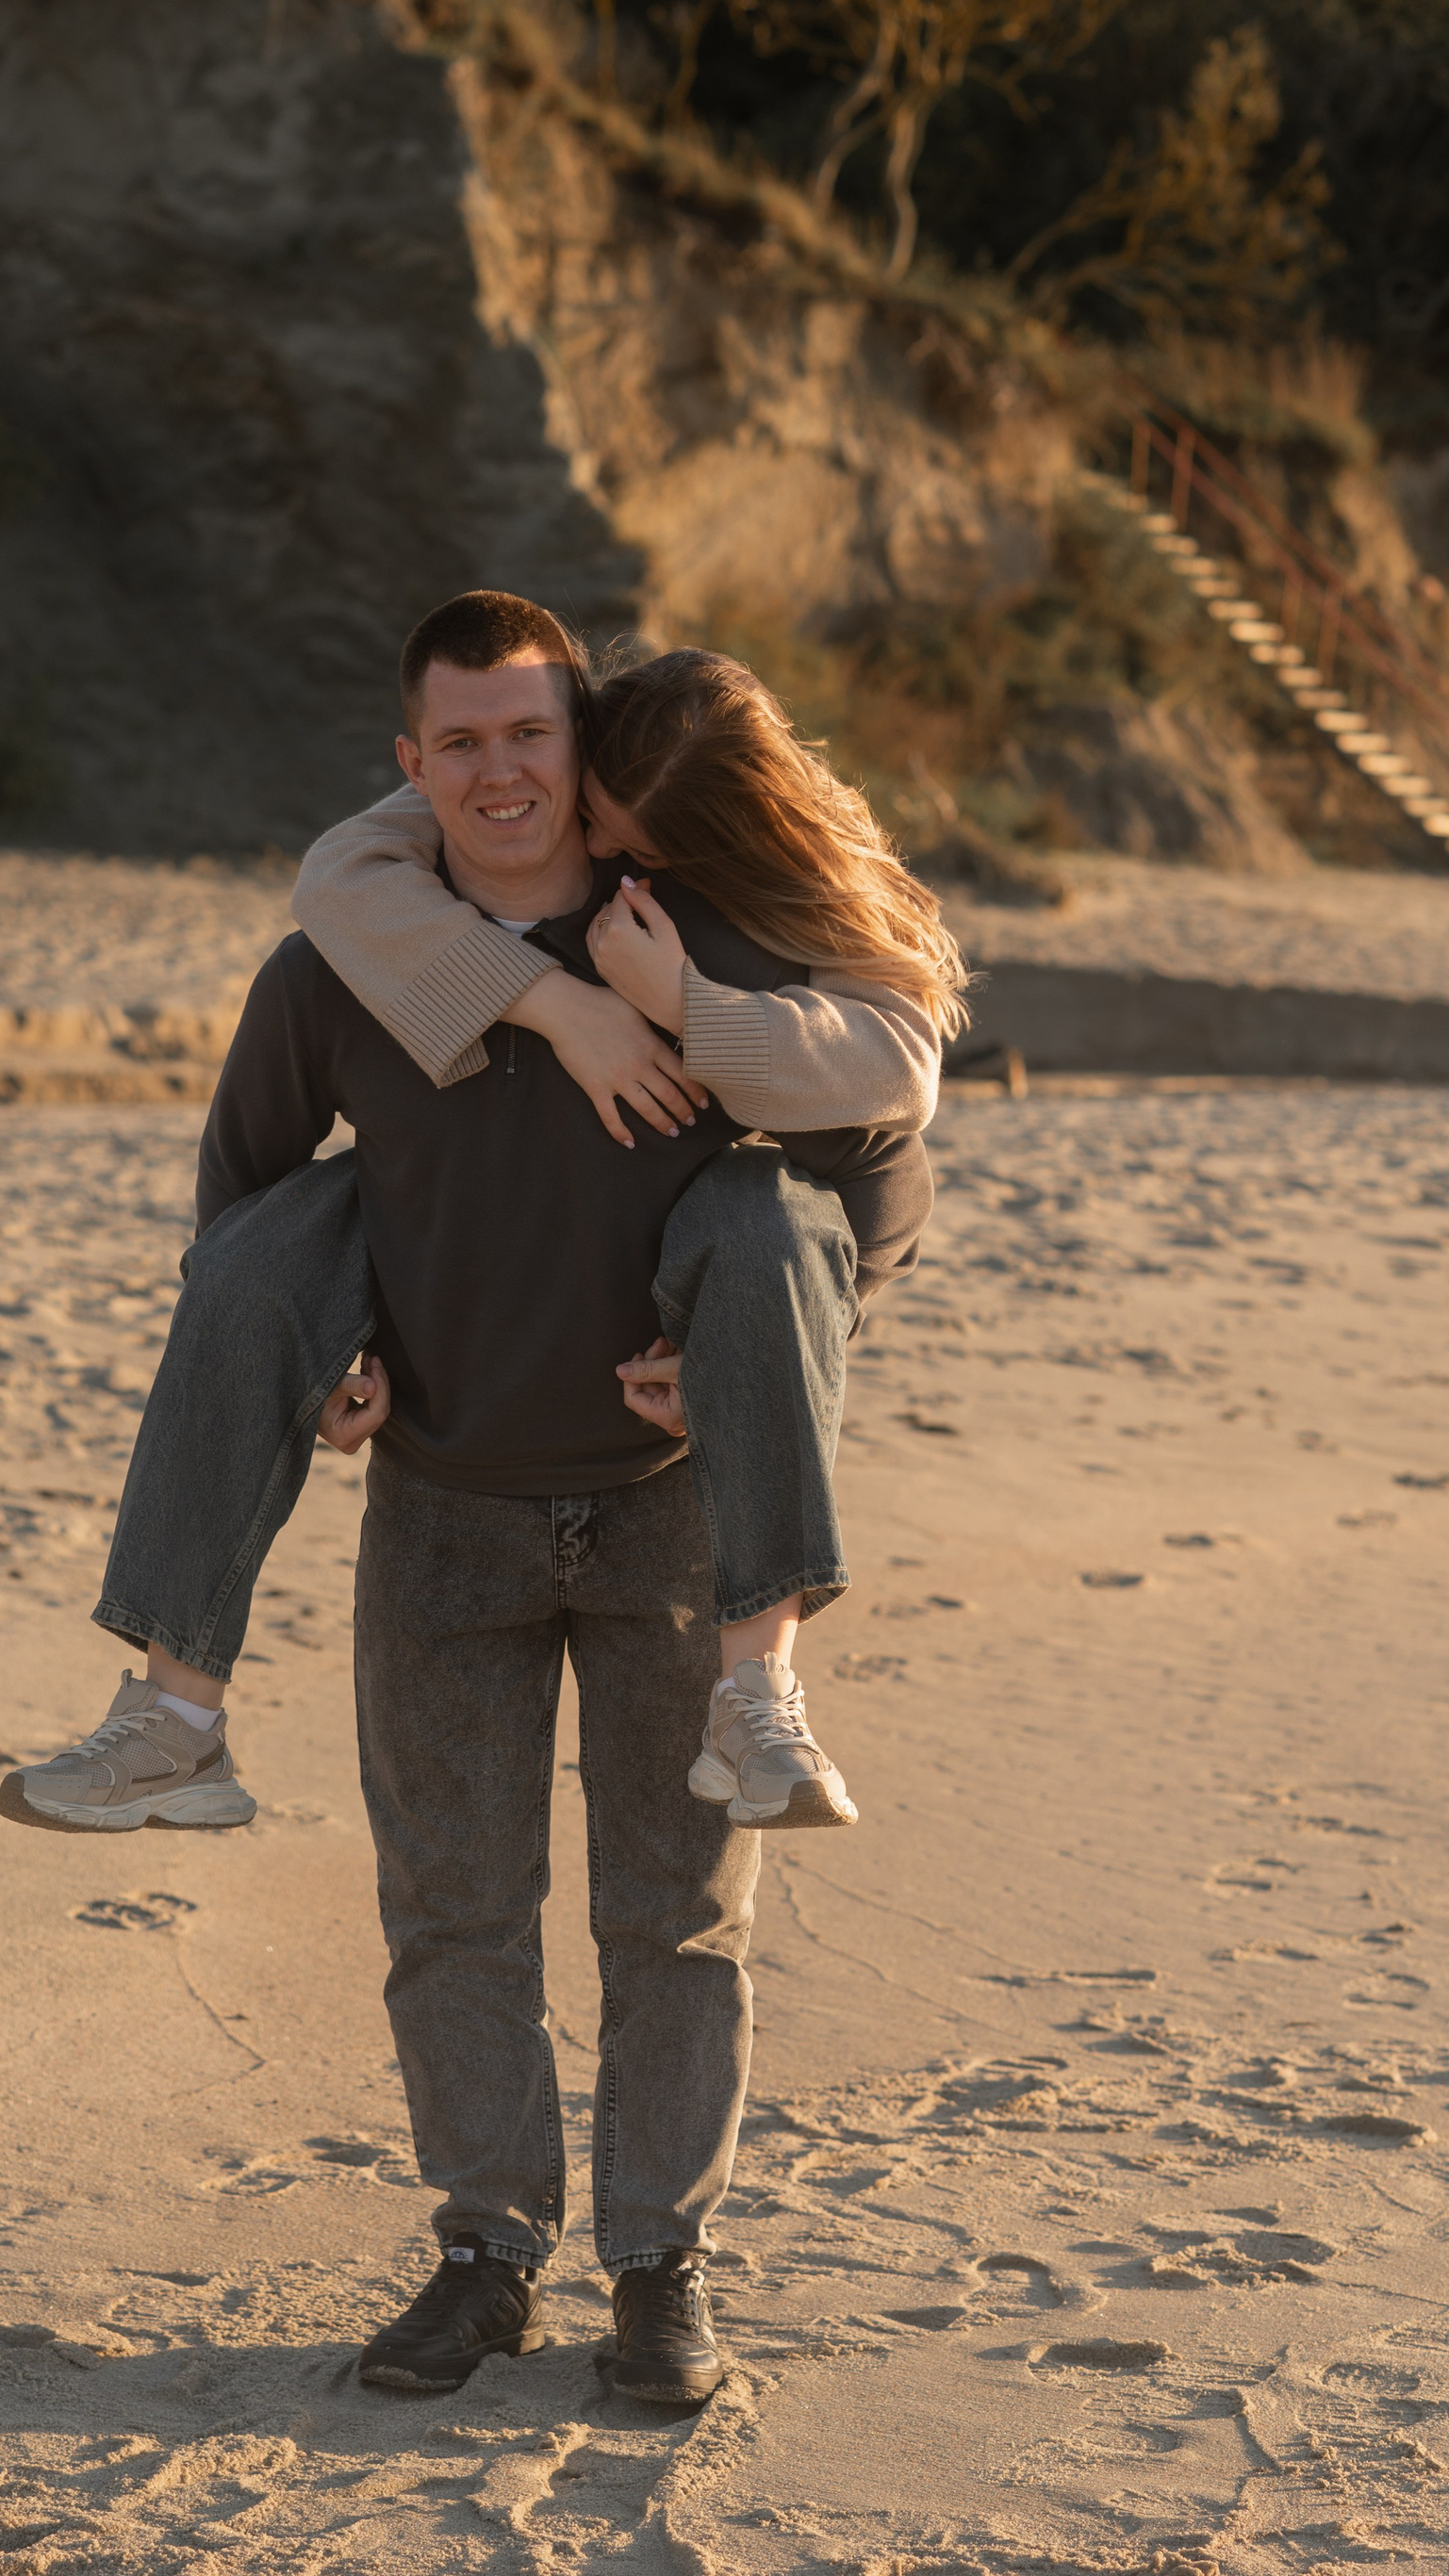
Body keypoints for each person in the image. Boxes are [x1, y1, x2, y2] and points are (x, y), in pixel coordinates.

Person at [0, 592, 938, 2402]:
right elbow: (248, 1197)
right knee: (452, 1914)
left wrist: (778, 1348)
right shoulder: (341, 964)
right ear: (409, 766)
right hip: (441, 1508)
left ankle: (659, 2270)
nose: (500, 773)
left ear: (582, 752)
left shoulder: (688, 934)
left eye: (530, 735)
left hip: (671, 1513)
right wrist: (319, 1358)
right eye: (462, 742)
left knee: (678, 1918)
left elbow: (876, 1173)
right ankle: (485, 2253)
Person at [287, 632, 968, 1824]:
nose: (597, 852)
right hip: (451, 1471)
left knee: (761, 1213)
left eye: (634, 848)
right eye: (601, 820)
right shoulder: (554, 743)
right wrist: (561, 1005)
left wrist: (687, 1009)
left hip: (677, 1448)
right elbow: (342, 870)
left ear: (708, 858)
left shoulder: (757, 911)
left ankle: (764, 1689)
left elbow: (895, 1114)